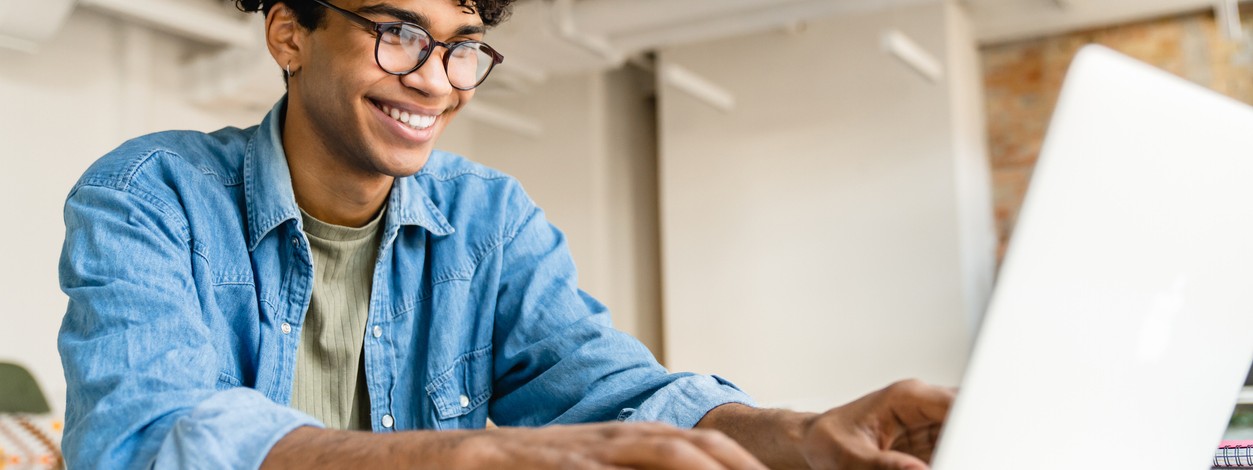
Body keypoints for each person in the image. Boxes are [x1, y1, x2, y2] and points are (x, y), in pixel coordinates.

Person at [56, 0, 955, 468]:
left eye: (461, 46)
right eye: (399, 34)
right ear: (289, 33)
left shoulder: (489, 218)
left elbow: (612, 392)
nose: (437, 81)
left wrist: (806, 437)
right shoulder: (150, 194)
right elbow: (145, 438)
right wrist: (470, 454)